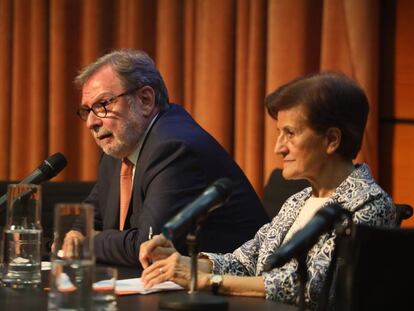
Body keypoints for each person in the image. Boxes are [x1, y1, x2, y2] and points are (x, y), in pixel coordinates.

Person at [139, 72, 397, 309]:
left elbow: (314, 287)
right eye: (279, 133)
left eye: (290, 133)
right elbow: (244, 262)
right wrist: (183, 263)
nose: (278, 147)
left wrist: (207, 280)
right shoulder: (298, 201)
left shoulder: (370, 204)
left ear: (331, 140)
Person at [72, 49, 268, 267]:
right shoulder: (120, 147)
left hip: (227, 288)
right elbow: (89, 217)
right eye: (87, 110)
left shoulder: (173, 148)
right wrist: (73, 233)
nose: (91, 122)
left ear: (145, 100)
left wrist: (86, 243)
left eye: (103, 105)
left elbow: (149, 246)